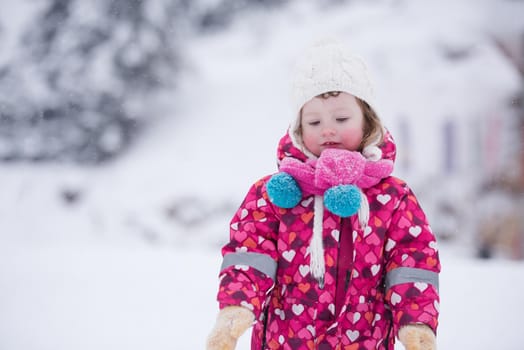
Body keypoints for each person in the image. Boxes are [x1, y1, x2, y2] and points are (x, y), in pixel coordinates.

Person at [206, 39, 440, 350]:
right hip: (286, 340)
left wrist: (416, 323)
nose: (327, 130)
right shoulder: (274, 195)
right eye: (314, 121)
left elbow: (412, 260)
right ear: (298, 129)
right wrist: (236, 308)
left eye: (341, 119)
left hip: (364, 341)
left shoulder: (392, 198)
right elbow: (250, 254)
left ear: (368, 121)